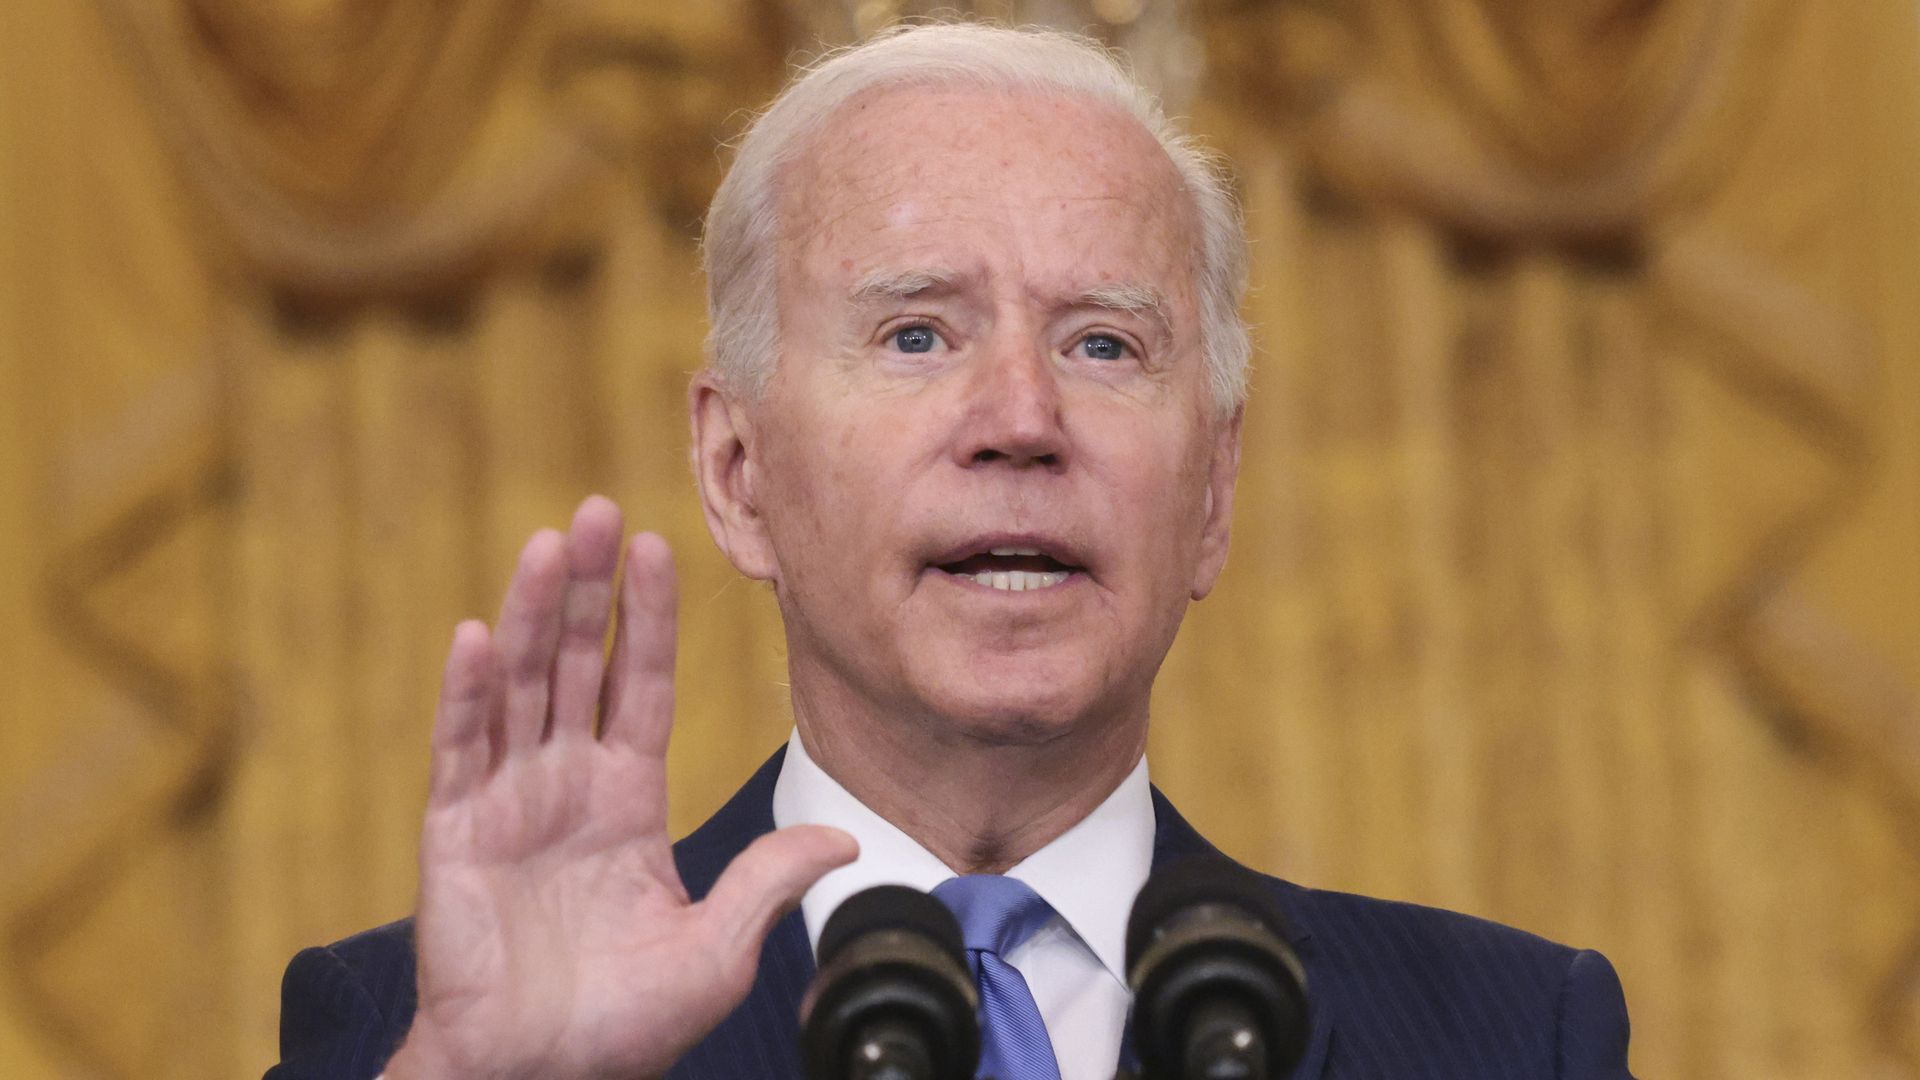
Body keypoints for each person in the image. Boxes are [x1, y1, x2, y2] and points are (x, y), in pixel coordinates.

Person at [265, 22, 1634, 1080]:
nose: (1022, 420)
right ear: (738, 473)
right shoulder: (411, 1027)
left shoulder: (1517, 1035)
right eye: (916, 334)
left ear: (1214, 490)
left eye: (1105, 344)